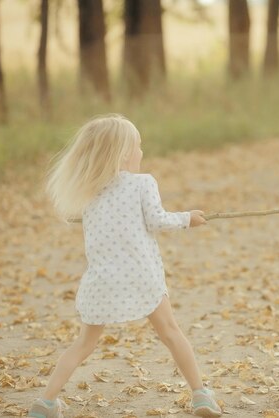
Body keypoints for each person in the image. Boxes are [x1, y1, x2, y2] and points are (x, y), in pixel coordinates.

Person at [29, 114, 222, 418]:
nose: (142, 153)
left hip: (102, 282)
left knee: (82, 344)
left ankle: (45, 402)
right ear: (122, 153)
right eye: (138, 147)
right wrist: (188, 219)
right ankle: (201, 395)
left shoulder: (89, 192)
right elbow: (157, 220)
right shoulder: (143, 183)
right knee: (171, 332)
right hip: (142, 278)